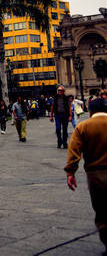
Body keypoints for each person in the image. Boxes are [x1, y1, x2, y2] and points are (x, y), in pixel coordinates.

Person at [65, 91, 107, 254]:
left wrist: (70, 173)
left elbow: (74, 152)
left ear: (90, 111)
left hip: (96, 176)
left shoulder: (83, 127)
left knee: (102, 212)